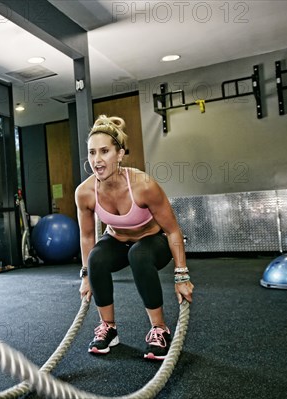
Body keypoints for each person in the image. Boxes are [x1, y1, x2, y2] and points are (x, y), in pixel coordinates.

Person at [75, 115, 194, 360]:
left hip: (153, 241)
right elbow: (87, 237)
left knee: (138, 254)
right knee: (96, 256)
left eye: (105, 151)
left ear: (119, 154)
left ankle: (159, 329)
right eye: (92, 152)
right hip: (117, 240)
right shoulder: (84, 193)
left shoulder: (143, 185)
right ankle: (108, 327)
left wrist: (182, 275)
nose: (97, 160)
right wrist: (86, 276)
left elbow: (172, 230)